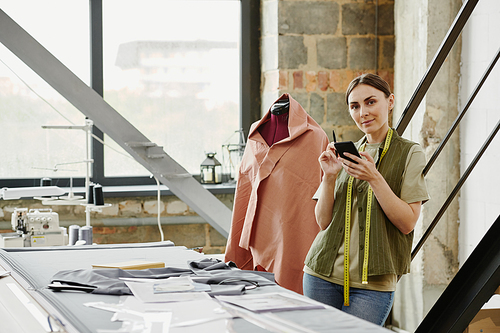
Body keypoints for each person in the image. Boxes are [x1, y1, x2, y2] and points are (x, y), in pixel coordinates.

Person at [302, 73, 430, 325]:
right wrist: (329, 177)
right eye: (355, 106)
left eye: (371, 102)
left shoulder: (410, 153)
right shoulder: (346, 153)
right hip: (321, 275)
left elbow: (407, 223)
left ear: (390, 102)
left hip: (373, 285)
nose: (363, 113)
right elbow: (323, 222)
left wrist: (374, 178)